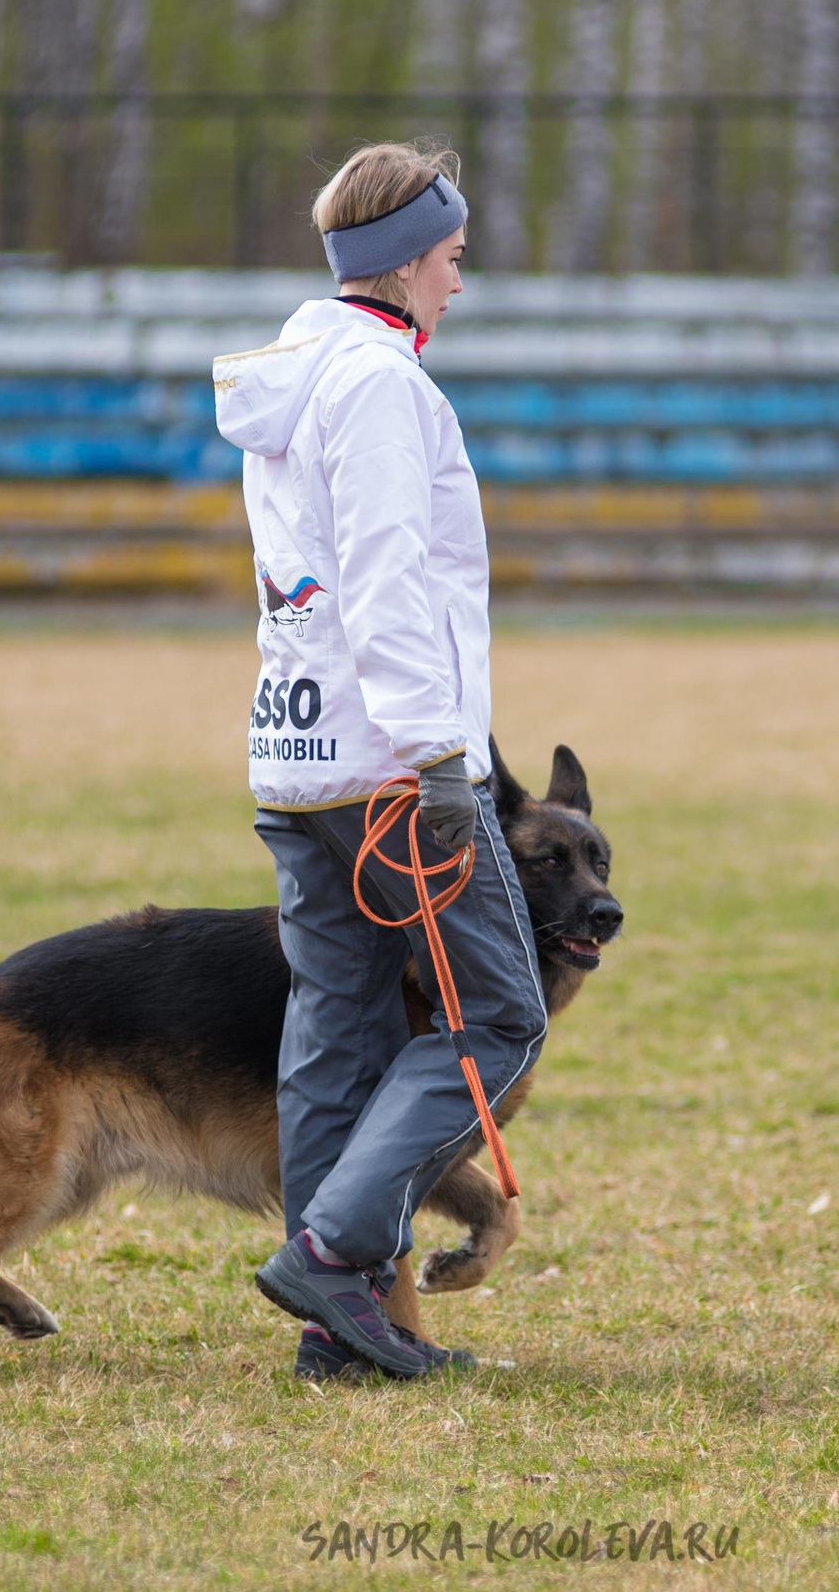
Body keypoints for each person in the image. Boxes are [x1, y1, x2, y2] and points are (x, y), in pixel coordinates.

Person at [212, 141, 548, 1380]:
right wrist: (439, 756)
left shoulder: (298, 374)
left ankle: (339, 1331)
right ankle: (333, 1252)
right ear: (405, 261)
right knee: (501, 1017)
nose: (459, 281)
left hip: (296, 757)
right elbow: (387, 581)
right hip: (391, 768)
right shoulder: (381, 386)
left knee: (335, 1040)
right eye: (452, 258)